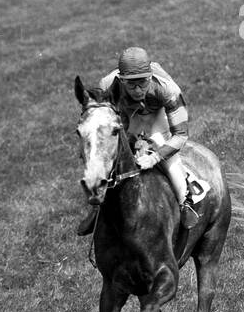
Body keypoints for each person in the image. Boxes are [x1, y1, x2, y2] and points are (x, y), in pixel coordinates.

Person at [78, 46, 199, 232]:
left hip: (157, 114)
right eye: (131, 84)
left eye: (143, 82)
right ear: (120, 80)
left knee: (160, 142)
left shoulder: (168, 89)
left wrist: (154, 157)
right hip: (127, 114)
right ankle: (97, 208)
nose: (137, 90)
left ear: (151, 76)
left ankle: (185, 202)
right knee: (112, 152)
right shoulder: (107, 85)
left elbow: (181, 135)